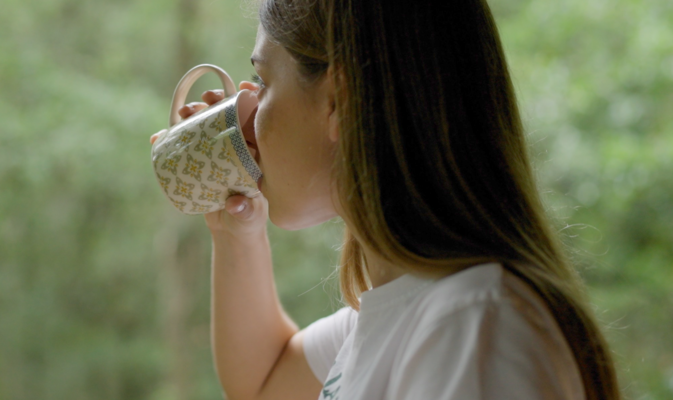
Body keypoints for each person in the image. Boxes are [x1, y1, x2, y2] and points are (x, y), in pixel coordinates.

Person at [153, 0, 619, 398]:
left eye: (265, 82)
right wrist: (234, 222)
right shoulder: (406, 312)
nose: (248, 109)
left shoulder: (473, 324)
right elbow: (263, 381)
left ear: (340, 100)